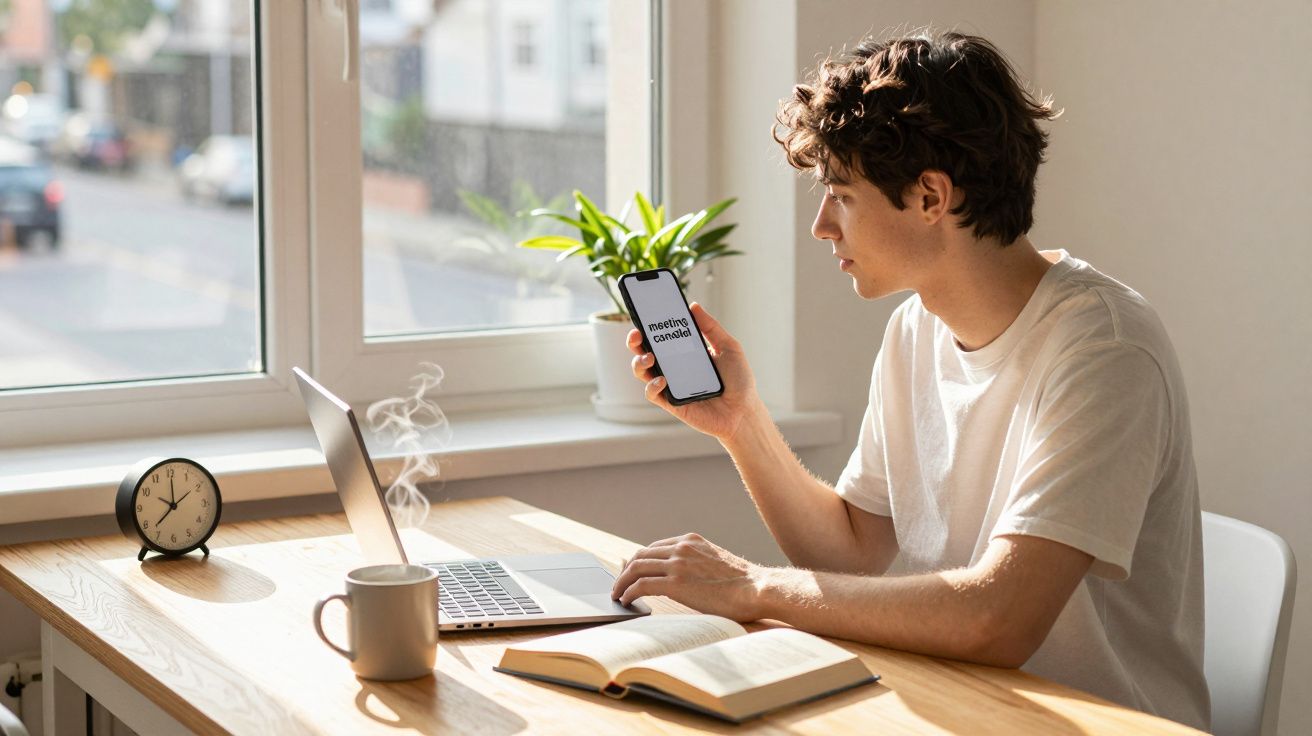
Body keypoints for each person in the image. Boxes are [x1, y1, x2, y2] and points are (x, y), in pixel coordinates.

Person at [609, 30, 1209, 730]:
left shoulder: (1104, 348)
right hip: (962, 707)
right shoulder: (916, 328)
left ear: (930, 196)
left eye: (840, 195)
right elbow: (854, 552)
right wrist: (742, 422)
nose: (821, 227)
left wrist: (751, 587)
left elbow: (999, 617)